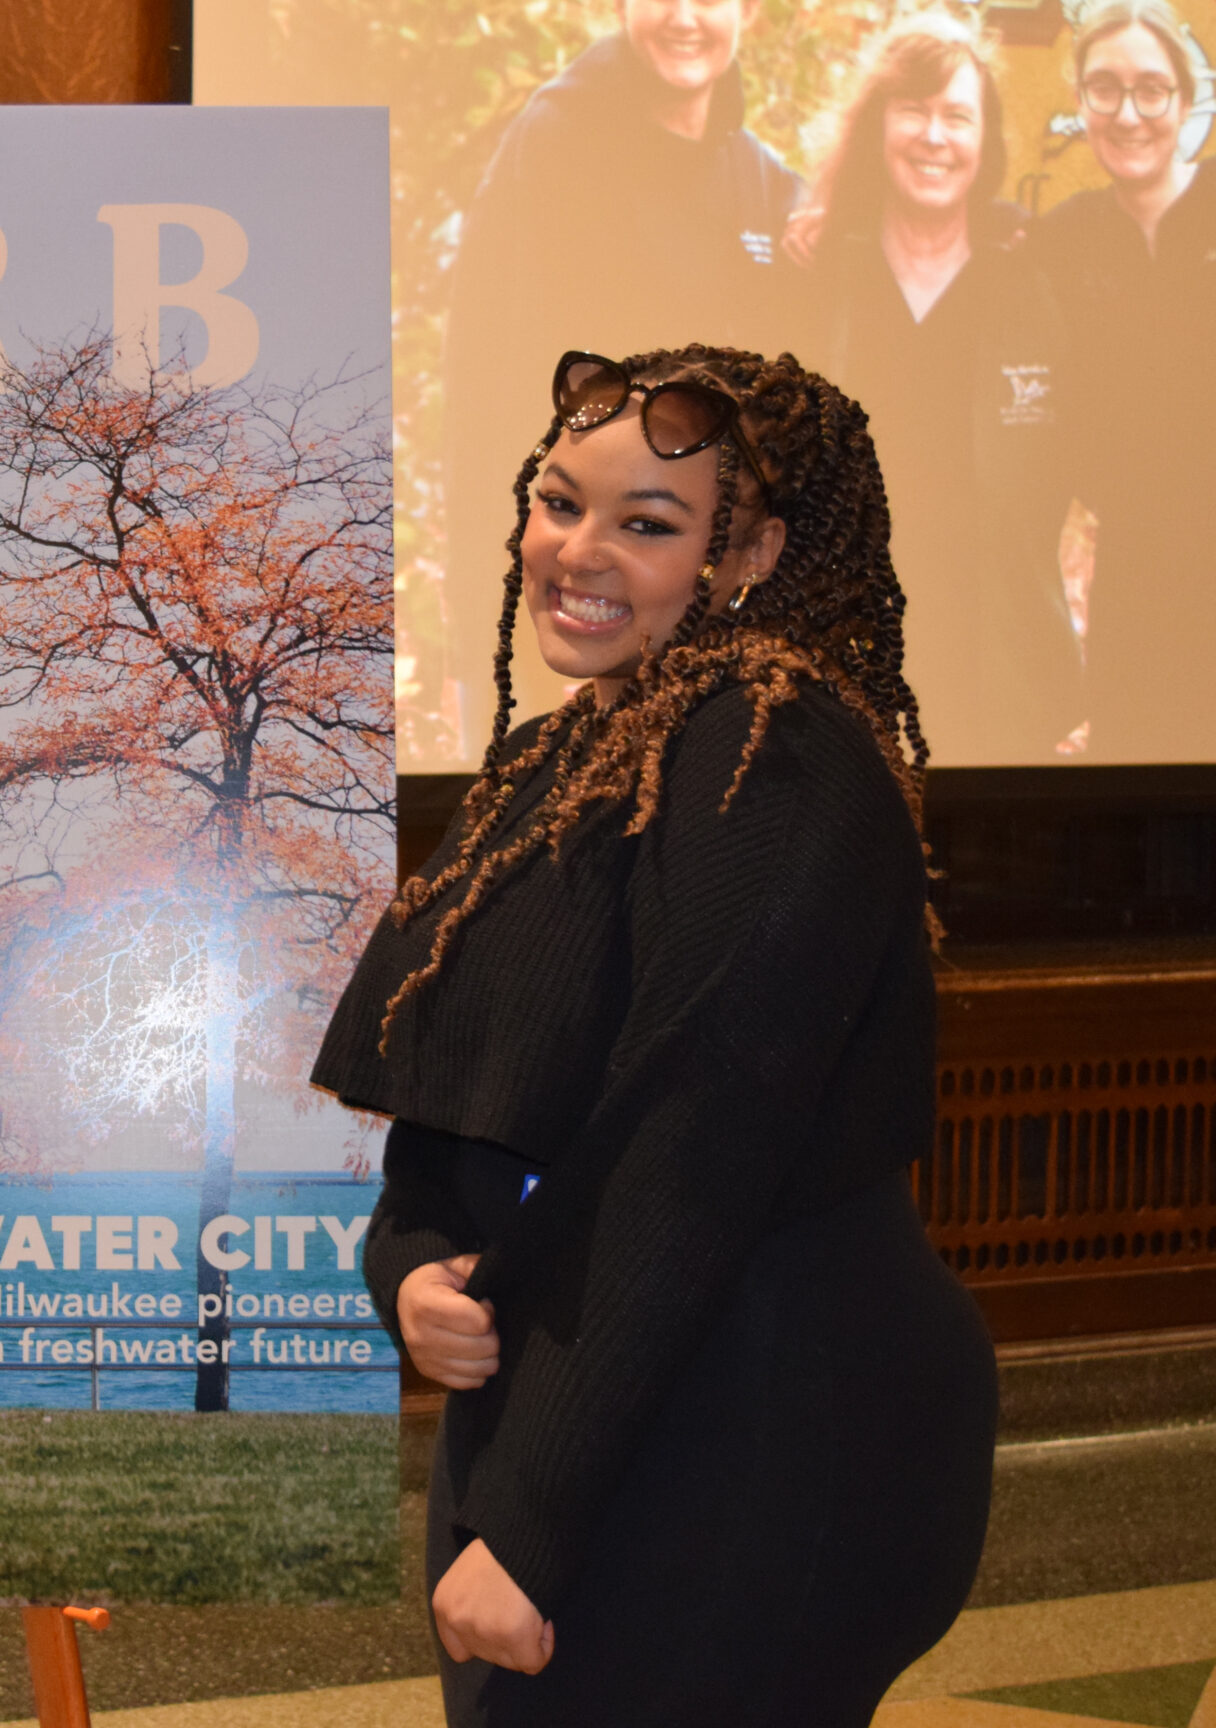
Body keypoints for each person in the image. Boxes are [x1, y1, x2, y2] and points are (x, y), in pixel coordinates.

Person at [312, 348, 996, 1725]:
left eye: (646, 523)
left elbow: (696, 1155)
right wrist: (409, 1270)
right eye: (560, 503)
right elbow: (470, 1089)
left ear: (749, 551)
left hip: (749, 1426)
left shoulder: (777, 749)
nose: (577, 550)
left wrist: (535, 1523)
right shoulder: (566, 751)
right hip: (579, 1411)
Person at [441, 0, 802, 751]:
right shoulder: (555, 143)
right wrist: (479, 616)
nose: (685, 17)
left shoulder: (758, 175)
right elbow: (482, 385)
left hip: (707, 610)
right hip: (582, 598)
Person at [788, 11, 1083, 758]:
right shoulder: (819, 282)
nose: (934, 136)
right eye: (913, 110)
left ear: (985, 143)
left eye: (957, 116)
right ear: (879, 127)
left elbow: (1093, 475)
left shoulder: (1029, 286)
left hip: (1004, 675)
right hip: (844, 671)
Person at [1029, 0, 1216, 758]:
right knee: (1145, 779)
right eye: (1105, 88)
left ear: (1185, 98)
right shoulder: (1058, 241)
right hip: (1133, 574)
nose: (1129, 112)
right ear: (1081, 103)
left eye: (1151, 89)